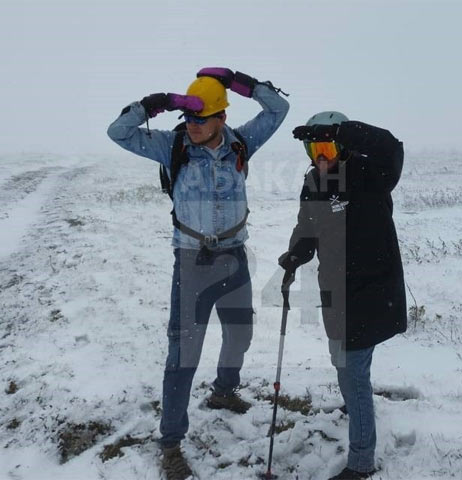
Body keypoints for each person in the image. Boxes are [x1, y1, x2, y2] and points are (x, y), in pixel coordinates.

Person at [107, 68, 289, 479]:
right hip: (191, 264)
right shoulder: (170, 146)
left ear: (221, 117)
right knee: (183, 355)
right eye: (187, 118)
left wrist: (240, 80)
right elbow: (117, 132)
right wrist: (156, 104)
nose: (191, 126)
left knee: (239, 335)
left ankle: (224, 393)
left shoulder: (242, 142)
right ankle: (171, 442)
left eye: (200, 118)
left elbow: (279, 108)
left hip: (235, 258)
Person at [278, 112, 407, 480]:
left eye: (328, 146)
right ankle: (357, 413)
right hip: (334, 288)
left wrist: (343, 131)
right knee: (341, 360)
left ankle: (362, 461)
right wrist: (295, 256)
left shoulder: (372, 175)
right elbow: (307, 226)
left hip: (371, 289)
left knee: (353, 371)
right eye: (313, 147)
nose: (321, 156)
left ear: (344, 146)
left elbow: (391, 148)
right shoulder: (313, 181)